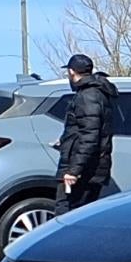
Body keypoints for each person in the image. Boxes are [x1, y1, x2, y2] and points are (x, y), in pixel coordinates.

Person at [54, 53, 119, 215]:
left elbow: (90, 136)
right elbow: (85, 129)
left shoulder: (87, 96)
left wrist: (74, 171)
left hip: (85, 170)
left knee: (67, 213)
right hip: (91, 167)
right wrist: (64, 140)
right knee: (80, 214)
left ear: (71, 72)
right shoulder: (97, 93)